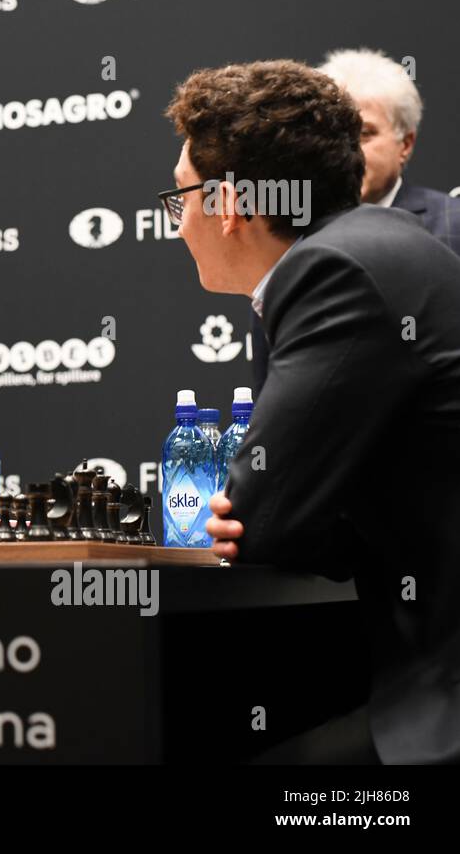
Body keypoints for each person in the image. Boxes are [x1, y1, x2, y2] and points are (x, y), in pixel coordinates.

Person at [164, 60, 460, 764]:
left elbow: (259, 521)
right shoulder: (381, 248)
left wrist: (282, 510)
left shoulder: (332, 272)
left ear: (230, 203)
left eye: (179, 201)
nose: (178, 228)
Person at [250, 47, 459, 390]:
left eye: (365, 134)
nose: (348, 150)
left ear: (405, 143)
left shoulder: (453, 225)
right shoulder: (286, 235)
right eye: (335, 136)